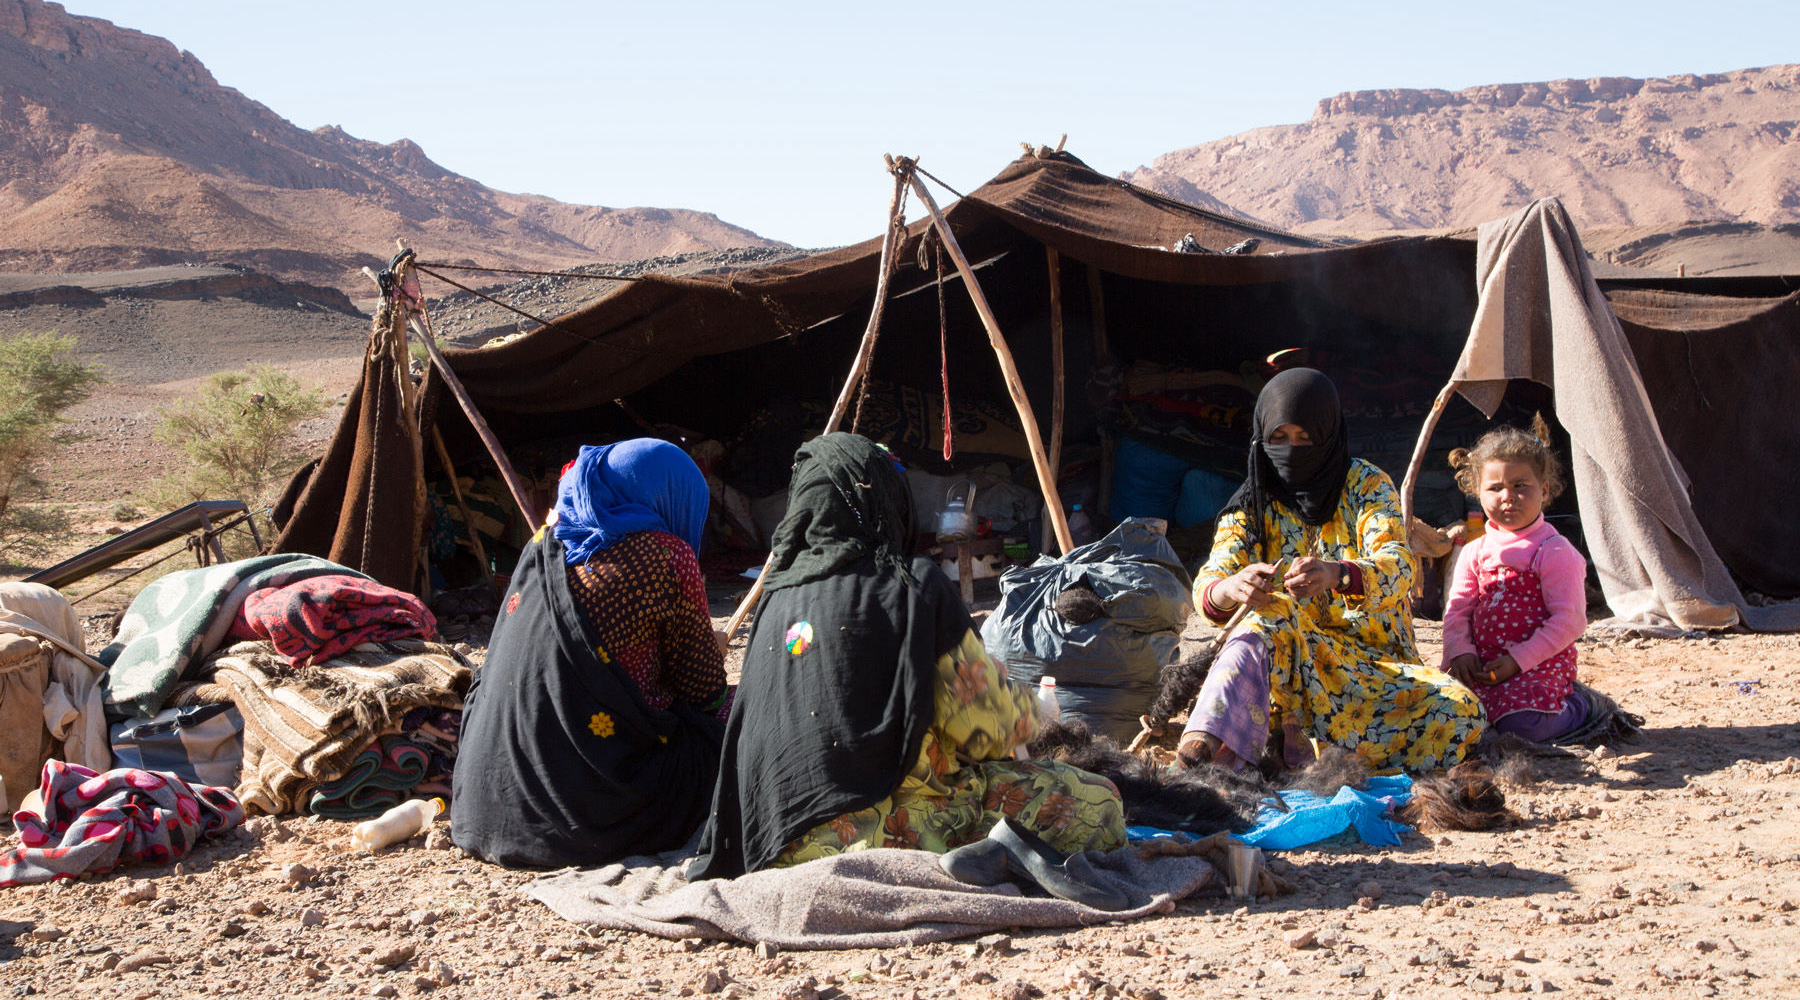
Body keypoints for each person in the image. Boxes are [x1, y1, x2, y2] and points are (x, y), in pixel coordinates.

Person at [691, 433, 1125, 879]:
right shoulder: (913, 589)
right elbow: (992, 731)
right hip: (879, 836)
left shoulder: (773, 602)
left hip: (770, 845)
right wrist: (1021, 705)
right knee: (1098, 799)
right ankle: (980, 858)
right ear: (887, 501)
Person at [1176, 368, 1485, 772]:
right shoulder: (1252, 503)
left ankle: (1294, 747)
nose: (1292, 450)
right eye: (1278, 439)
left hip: (1371, 673)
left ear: (1329, 434)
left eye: (1306, 438)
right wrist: (1231, 587)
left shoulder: (1366, 486)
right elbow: (1212, 580)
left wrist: (1337, 574)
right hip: (1288, 674)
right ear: (1261, 439)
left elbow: (1398, 566)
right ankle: (1198, 751)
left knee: (1462, 713)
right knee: (1268, 619)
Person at [452, 439, 731, 868]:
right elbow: (705, 693)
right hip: (589, 817)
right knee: (735, 718)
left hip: (482, 803)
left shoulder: (542, 544)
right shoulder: (664, 555)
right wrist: (713, 649)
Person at [1440, 421, 1590, 741]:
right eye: (1495, 488)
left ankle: (1582, 706)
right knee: (1440, 718)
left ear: (1544, 490)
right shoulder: (1474, 552)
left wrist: (1516, 662)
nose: (1508, 497)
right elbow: (1457, 611)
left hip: (1536, 669)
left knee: (1521, 727)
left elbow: (1570, 621)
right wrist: (1461, 652)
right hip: (1481, 669)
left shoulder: (1554, 551)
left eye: (1521, 485)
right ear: (1477, 493)